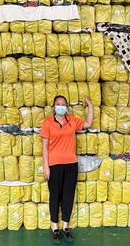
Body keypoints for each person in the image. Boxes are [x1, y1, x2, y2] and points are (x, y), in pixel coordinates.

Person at [40, 95, 93, 243]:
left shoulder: (72, 121)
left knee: (68, 196)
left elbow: (88, 123)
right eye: (58, 104)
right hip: (54, 165)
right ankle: (54, 228)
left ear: (67, 107)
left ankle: (65, 227)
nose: (61, 106)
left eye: (63, 104)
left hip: (71, 164)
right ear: (54, 107)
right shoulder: (47, 123)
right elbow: (44, 146)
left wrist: (90, 105)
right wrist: (46, 166)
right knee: (55, 196)